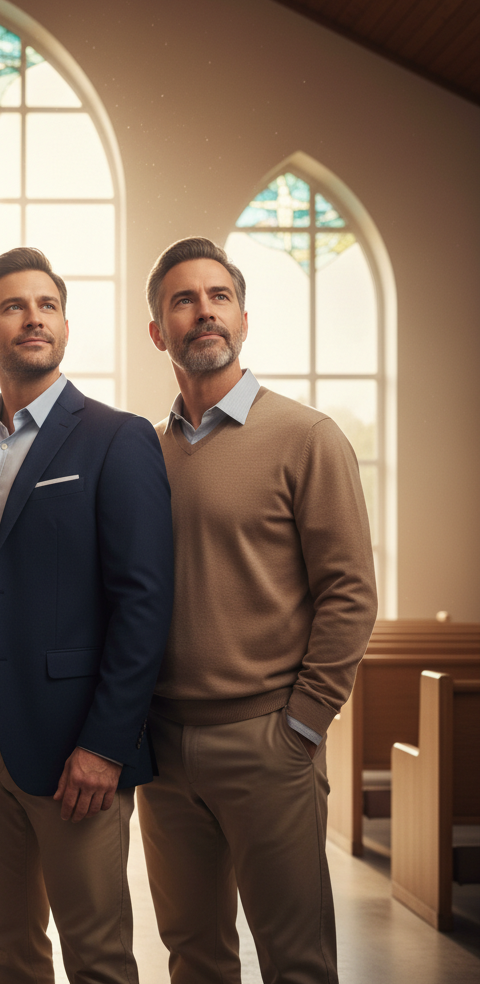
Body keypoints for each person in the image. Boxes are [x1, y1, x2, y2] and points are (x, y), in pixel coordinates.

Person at [137, 237, 378, 983]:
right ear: (158, 332)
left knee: (297, 962)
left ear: (244, 320)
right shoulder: (145, 453)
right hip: (162, 753)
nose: (203, 311)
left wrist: (302, 724)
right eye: (183, 299)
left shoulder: (306, 437)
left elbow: (350, 592)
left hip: (267, 742)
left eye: (218, 297)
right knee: (194, 958)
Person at [0, 246, 175, 984]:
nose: (33, 318)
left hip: (76, 739)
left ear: (66, 326)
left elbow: (144, 600)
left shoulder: (116, 437)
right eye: (13, 306)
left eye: (46, 305)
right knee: (8, 946)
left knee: (97, 952)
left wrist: (106, 744)